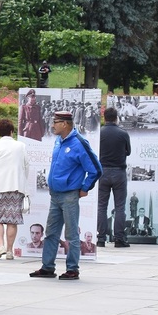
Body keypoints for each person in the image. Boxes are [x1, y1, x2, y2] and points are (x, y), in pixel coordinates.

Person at [30, 111, 102, 281]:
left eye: (55, 122)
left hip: (69, 195)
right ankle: (47, 267)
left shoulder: (79, 143)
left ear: (65, 124)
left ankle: (72, 269)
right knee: (51, 232)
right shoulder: (59, 141)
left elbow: (95, 169)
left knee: (71, 234)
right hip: (55, 195)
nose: (52, 125)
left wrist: (85, 187)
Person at [0, 118, 29, 261]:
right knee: (12, 220)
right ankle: (10, 251)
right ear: (12, 131)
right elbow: (26, 166)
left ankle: (0, 246)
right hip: (15, 187)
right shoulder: (20, 146)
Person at [96, 106, 131, 248]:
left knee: (101, 207)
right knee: (120, 207)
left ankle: (101, 238)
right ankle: (119, 239)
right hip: (119, 172)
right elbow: (128, 152)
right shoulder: (123, 134)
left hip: (102, 171)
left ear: (104, 117)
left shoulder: (99, 133)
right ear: (116, 118)